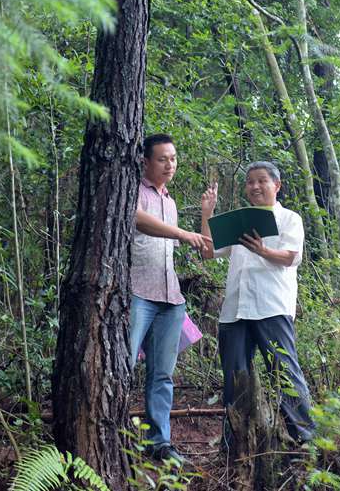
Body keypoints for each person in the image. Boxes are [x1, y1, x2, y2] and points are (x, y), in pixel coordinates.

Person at [199, 162, 315, 445]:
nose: (255, 186)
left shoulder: (289, 219)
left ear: (277, 185)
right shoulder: (239, 221)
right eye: (250, 182)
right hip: (235, 310)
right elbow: (208, 251)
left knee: (284, 371)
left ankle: (305, 439)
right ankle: (236, 445)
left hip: (271, 306)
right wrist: (207, 214)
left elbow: (291, 257)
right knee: (235, 378)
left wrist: (263, 250)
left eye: (262, 181)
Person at [130, 133, 210, 463]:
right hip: (137, 293)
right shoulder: (133, 190)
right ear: (146, 161)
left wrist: (206, 213)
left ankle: (160, 443)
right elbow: (137, 219)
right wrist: (181, 233)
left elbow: (203, 248)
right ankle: (114, 437)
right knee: (119, 367)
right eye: (162, 159)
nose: (170, 165)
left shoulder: (171, 202)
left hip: (170, 298)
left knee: (162, 375)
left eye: (173, 158)